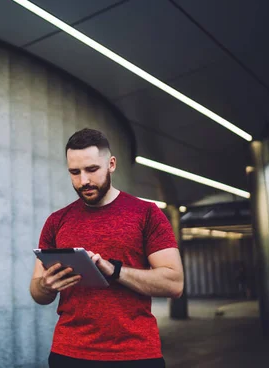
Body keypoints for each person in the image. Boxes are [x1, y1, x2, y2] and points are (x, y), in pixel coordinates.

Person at [30, 128, 184, 368]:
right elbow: (37, 292)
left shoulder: (146, 214)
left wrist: (114, 271)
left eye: (92, 170)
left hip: (135, 355)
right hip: (68, 353)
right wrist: (46, 286)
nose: (84, 181)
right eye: (74, 172)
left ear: (111, 164)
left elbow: (174, 284)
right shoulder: (56, 221)